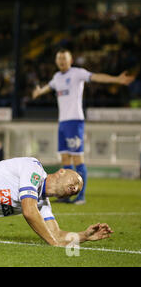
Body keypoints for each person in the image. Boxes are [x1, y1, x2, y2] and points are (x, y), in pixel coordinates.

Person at [32, 49, 135, 204]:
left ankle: (81, 196)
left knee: (78, 159)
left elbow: (96, 77)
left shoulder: (77, 73)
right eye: (59, 58)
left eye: (64, 59)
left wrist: (116, 79)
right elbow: (49, 87)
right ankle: (66, 196)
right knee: (66, 159)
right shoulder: (57, 77)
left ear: (71, 60)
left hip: (75, 121)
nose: (61, 61)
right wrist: (39, 92)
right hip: (63, 123)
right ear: (56, 61)